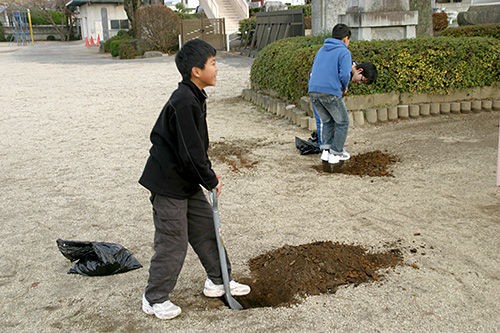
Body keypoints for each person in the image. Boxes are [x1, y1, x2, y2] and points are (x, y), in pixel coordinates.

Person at [138, 39, 250, 320]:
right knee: (173, 241)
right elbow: (190, 151)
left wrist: (207, 174)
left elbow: (197, 147)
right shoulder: (184, 100)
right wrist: (210, 179)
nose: (217, 68)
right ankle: (154, 298)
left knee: (205, 230)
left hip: (185, 181)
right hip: (168, 184)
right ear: (195, 71)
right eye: (213, 63)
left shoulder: (194, 96)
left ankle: (218, 280)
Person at [308, 23, 354, 166]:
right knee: (343, 122)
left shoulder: (321, 50)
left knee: (327, 121)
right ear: (346, 39)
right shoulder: (344, 52)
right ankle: (336, 152)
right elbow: (345, 74)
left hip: (313, 91)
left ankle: (326, 151)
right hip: (330, 91)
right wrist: (344, 87)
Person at [312, 61, 378, 147]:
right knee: (323, 118)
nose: (359, 83)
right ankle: (323, 146)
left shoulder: (351, 71)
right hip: (318, 85)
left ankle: (327, 144)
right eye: (361, 80)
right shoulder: (346, 67)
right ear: (360, 70)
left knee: (333, 118)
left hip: (327, 89)